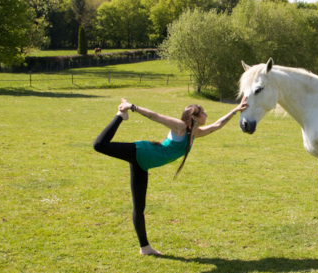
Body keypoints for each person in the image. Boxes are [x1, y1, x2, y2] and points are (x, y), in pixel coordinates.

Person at [93, 97, 249, 255]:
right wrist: (131, 107)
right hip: (142, 151)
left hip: (143, 164)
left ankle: (145, 248)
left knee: (139, 207)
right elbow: (155, 116)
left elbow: (217, 125)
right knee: (99, 145)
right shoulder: (180, 127)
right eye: (202, 112)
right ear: (193, 117)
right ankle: (120, 115)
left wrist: (235, 110)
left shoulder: (195, 133)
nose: (206, 114)